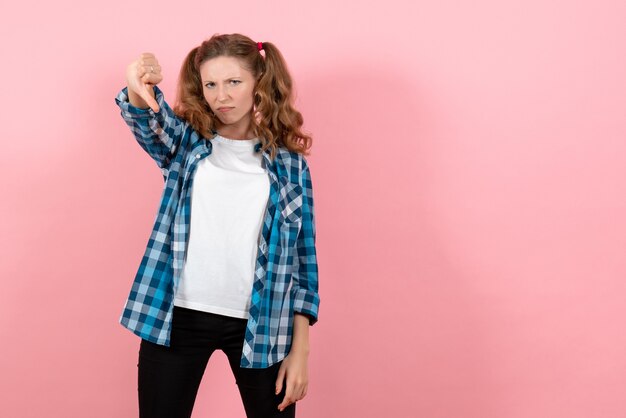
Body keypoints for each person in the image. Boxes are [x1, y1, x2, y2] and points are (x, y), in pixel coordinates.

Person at [114, 33, 320, 418]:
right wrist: (135, 84)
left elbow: (303, 264)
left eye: (233, 82)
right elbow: (150, 123)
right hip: (176, 316)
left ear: (259, 83)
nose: (220, 96)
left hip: (263, 325)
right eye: (211, 84)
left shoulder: (291, 167)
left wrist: (300, 351)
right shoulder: (187, 145)